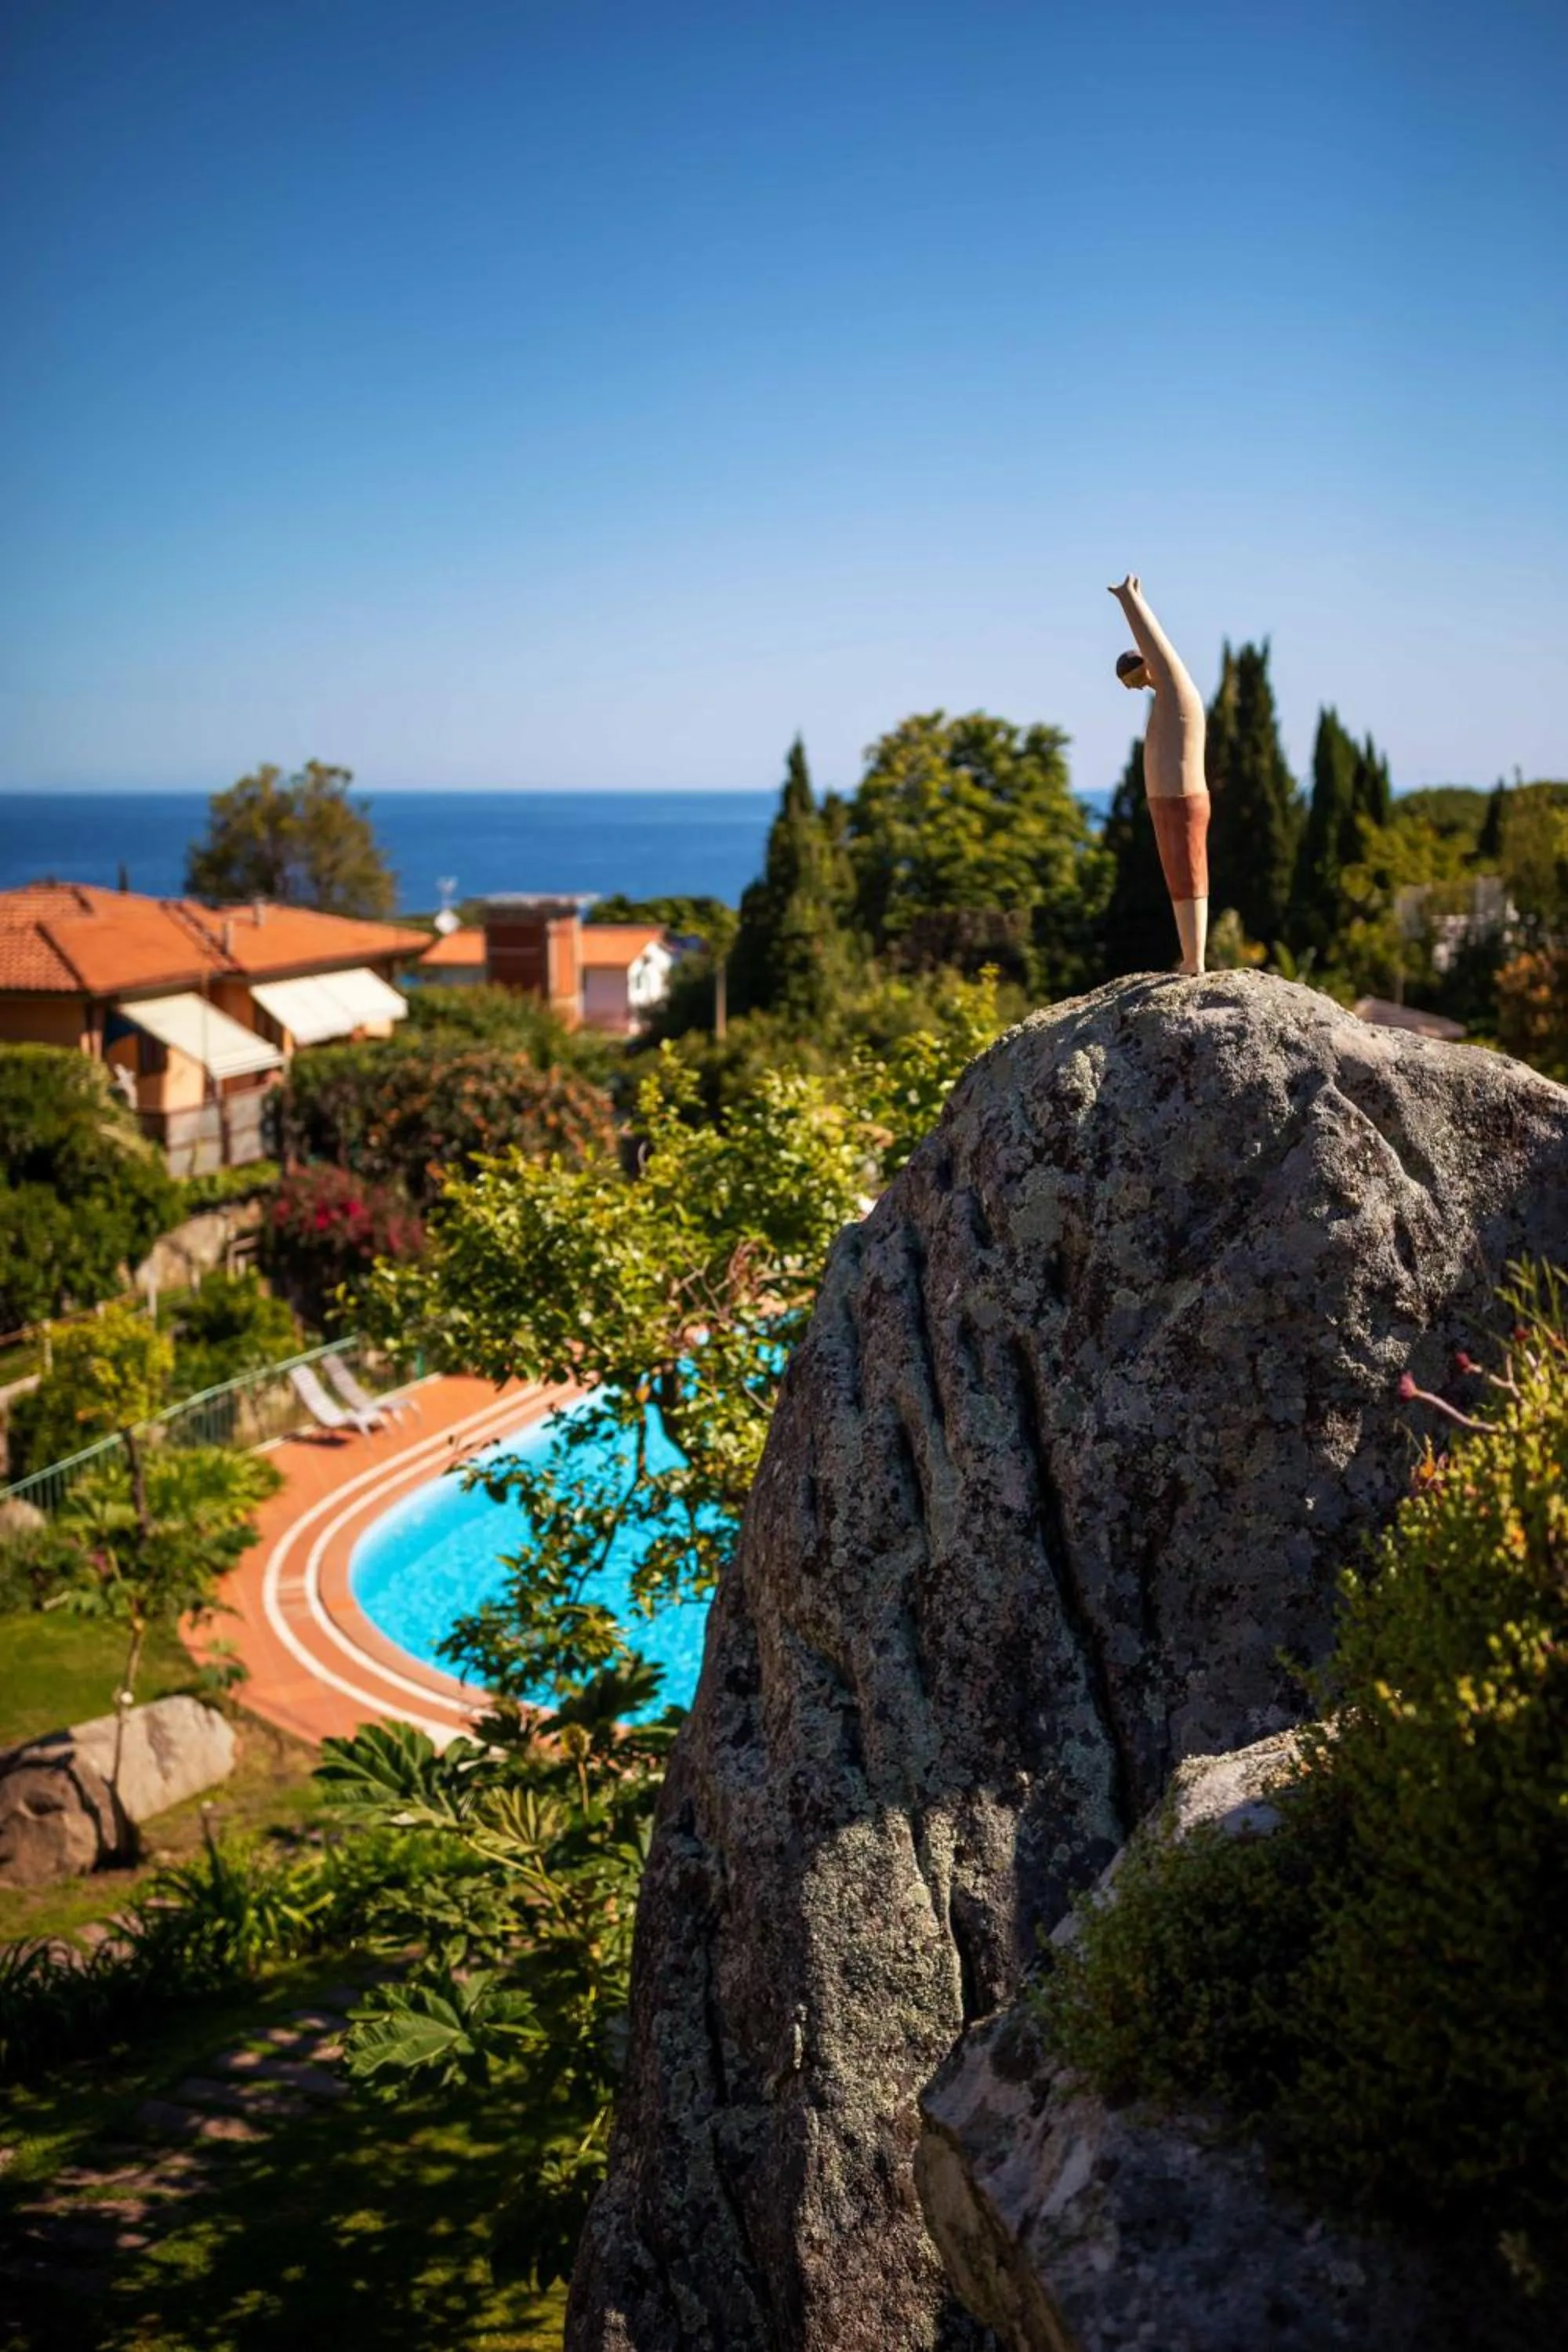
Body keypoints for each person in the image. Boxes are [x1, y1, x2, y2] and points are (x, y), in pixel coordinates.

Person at [1109, 573, 1210, 974]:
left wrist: (1129, 601)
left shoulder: (1176, 692)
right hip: (1169, 799)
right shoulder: (1167, 699)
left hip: (1179, 799)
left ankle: (1195, 960)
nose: (1132, 689)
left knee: (1187, 872)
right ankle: (1191, 956)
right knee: (1179, 873)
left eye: (1131, 679)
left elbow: (1158, 650)